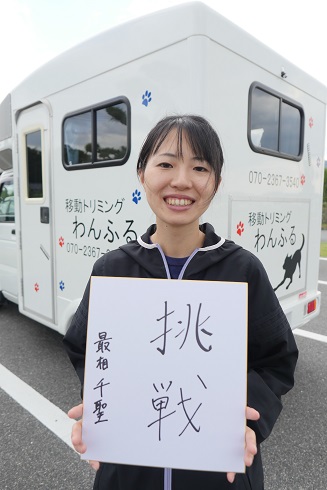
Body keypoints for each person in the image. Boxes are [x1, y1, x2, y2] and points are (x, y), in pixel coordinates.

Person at [63, 114, 298, 490]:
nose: (182, 181)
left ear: (215, 183)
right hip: (129, 471)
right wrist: (100, 403)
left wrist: (249, 419)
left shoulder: (243, 269)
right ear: (142, 173)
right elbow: (84, 349)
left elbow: (277, 359)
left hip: (220, 473)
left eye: (200, 167)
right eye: (166, 163)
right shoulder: (112, 268)